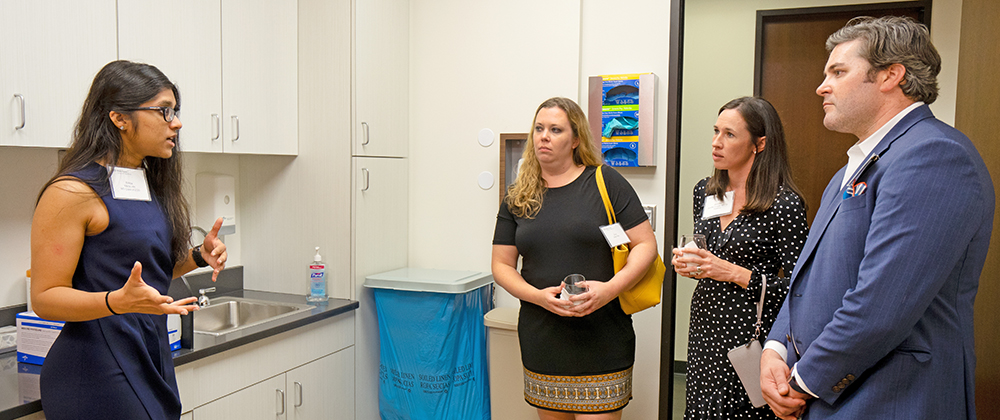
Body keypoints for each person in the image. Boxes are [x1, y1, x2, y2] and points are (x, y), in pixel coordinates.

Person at [760, 16, 994, 420]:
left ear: (891, 75)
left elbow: (883, 305)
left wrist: (803, 381)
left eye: (838, 71)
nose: (822, 86)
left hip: (894, 397)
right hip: (832, 393)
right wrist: (775, 348)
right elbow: (808, 277)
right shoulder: (848, 170)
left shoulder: (934, 156)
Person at [31, 60, 229, 420]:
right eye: (164, 111)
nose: (177, 123)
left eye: (176, 111)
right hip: (95, 367)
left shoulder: (145, 184)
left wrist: (198, 256)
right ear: (119, 118)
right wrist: (116, 302)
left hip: (148, 353)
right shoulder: (72, 191)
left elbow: (145, 272)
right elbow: (45, 298)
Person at [491, 97, 657, 420]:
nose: (544, 136)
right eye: (539, 129)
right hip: (544, 337)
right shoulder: (517, 197)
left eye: (555, 129)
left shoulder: (605, 182)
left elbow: (646, 246)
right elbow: (501, 265)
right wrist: (538, 297)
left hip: (603, 337)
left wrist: (609, 290)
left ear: (576, 139)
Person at [671, 97, 808, 419]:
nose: (716, 143)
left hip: (751, 332)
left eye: (730, 135)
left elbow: (802, 288)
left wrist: (735, 273)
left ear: (759, 144)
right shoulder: (705, 191)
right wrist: (691, 263)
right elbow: (709, 253)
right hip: (706, 324)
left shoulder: (784, 204)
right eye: (716, 131)